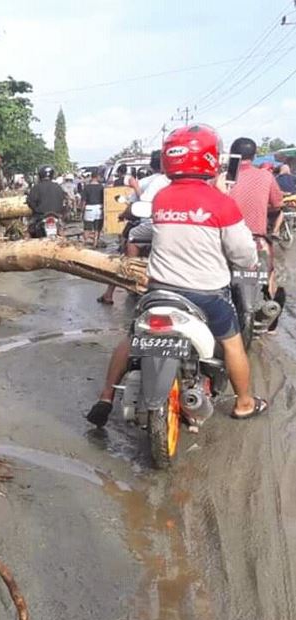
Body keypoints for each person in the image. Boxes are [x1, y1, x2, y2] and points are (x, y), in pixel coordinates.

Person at [86, 124, 266, 427]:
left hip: (159, 291)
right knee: (233, 344)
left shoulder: (162, 198)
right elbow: (244, 255)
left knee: (133, 337)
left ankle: (106, 396)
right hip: (207, 295)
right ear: (211, 158)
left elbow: (156, 231)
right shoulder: (221, 202)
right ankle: (245, 403)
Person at [98, 150, 171, 304]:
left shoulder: (148, 182)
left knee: (125, 250)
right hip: (171, 227)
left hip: (149, 224)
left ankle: (128, 275)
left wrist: (122, 215)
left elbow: (135, 206)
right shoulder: (173, 181)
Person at [227, 137, 285, 329]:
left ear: (232, 155)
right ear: (254, 155)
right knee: (270, 275)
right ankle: (269, 322)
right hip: (256, 240)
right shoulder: (266, 176)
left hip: (226, 240)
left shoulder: (224, 178)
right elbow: (277, 205)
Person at [26, 165, 66, 237]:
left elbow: (31, 202)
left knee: (28, 231)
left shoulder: (36, 187)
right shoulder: (58, 187)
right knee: (62, 232)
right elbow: (63, 200)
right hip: (56, 215)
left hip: (40, 215)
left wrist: (36, 209)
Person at [81, 171, 105, 247]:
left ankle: (83, 243)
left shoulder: (87, 187)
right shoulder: (101, 187)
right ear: (97, 177)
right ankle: (95, 243)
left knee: (87, 228)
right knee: (97, 228)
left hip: (89, 208)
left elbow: (84, 201)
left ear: (91, 177)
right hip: (99, 208)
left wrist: (82, 210)